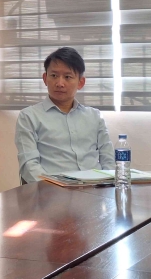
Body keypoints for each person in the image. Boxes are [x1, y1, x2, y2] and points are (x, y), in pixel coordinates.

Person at [15, 47, 115, 183]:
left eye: (67, 77)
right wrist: (53, 189)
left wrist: (108, 185)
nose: (60, 83)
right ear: (45, 78)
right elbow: (29, 166)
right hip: (52, 191)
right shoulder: (29, 117)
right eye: (54, 76)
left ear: (80, 82)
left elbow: (108, 159)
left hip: (96, 189)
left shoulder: (95, 116)